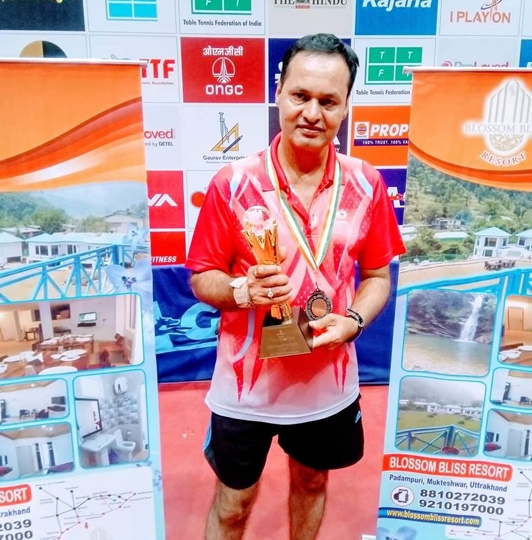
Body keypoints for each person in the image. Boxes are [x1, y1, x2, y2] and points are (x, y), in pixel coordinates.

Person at [185, 33, 406, 540]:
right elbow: (201, 277)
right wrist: (241, 291)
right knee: (234, 504)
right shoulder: (233, 182)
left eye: (328, 101)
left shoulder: (366, 183)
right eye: (300, 96)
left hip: (327, 382)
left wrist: (353, 321)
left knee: (311, 483)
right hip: (246, 387)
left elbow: (377, 277)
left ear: (345, 107)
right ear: (278, 94)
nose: (312, 113)